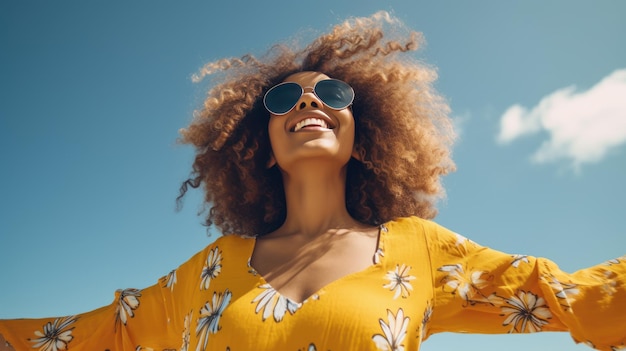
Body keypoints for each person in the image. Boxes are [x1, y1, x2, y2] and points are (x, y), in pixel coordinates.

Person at [1, 11, 625, 351]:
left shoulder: (422, 252)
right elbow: (91, 334)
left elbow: (567, 295)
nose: (309, 105)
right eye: (284, 100)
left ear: (366, 135)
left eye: (331, 94)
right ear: (261, 150)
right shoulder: (208, 273)